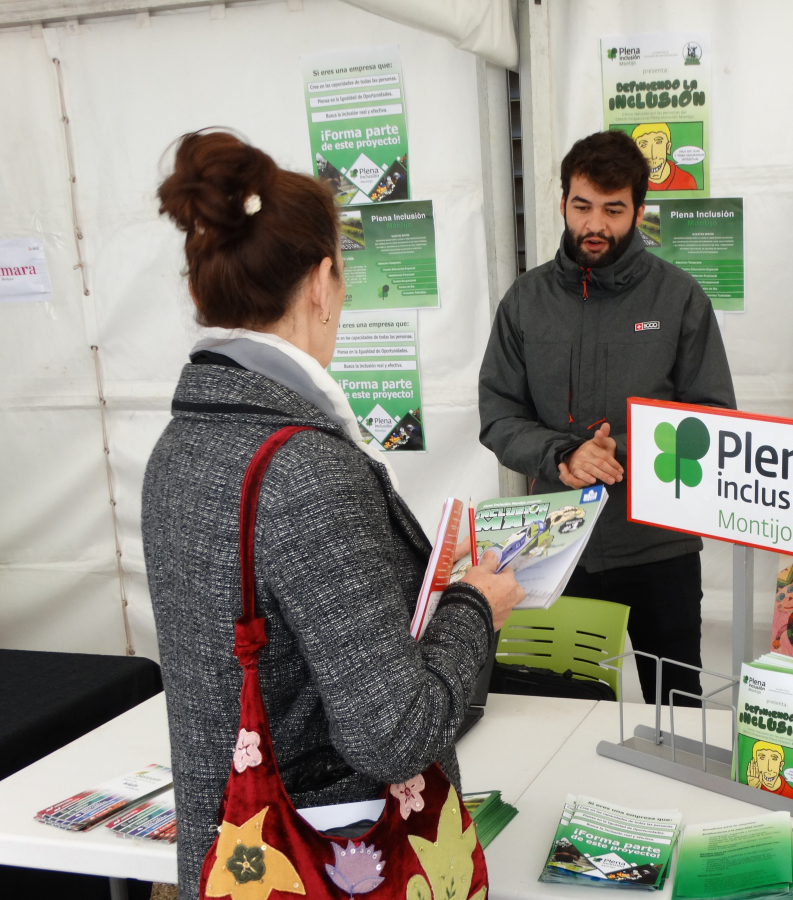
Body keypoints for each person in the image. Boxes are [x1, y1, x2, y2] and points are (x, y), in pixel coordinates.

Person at [143, 131, 524, 900]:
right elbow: (394, 734)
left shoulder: (179, 445)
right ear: (321, 283)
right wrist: (473, 609)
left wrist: (413, 591)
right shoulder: (308, 469)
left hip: (236, 858)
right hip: (336, 860)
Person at [478, 130, 735, 705]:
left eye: (613, 210)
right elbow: (498, 414)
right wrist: (562, 454)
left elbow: (713, 416)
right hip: (555, 542)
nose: (595, 224)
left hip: (658, 546)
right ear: (563, 203)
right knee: (556, 704)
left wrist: (617, 449)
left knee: (677, 703)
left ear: (640, 212)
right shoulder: (525, 300)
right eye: (582, 206)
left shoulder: (679, 298)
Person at [632, 122, 699, 192]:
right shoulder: (631, 183)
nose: (653, 156)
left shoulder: (686, 181)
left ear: (668, 147)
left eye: (658, 142)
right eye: (643, 145)